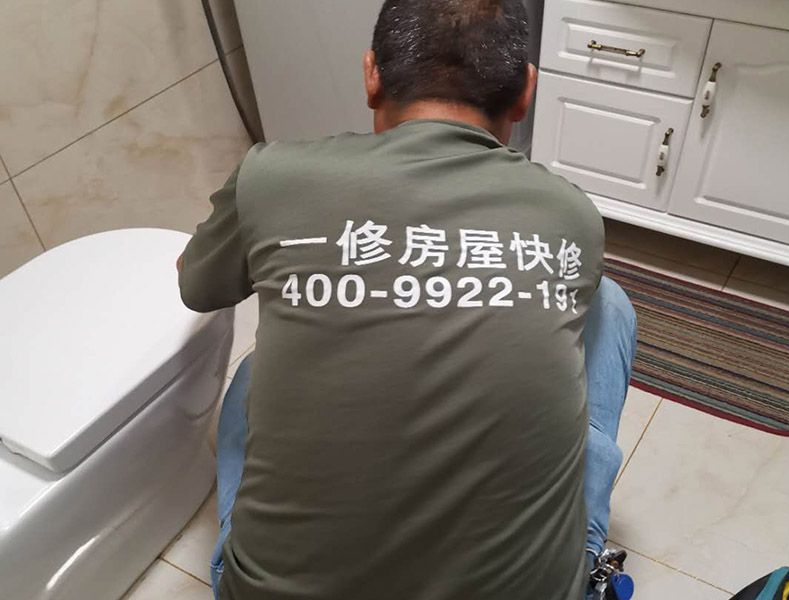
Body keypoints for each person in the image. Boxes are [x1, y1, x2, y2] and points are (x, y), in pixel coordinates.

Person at [178, 1, 637, 599]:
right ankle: (586, 561)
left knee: (250, 377)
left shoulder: (270, 174)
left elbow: (197, 286)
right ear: (526, 92)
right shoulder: (571, 212)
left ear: (372, 74)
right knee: (607, 303)